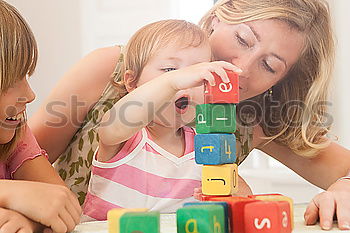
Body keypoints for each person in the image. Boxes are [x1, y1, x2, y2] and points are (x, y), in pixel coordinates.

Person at [29, 0, 350, 230]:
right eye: (242, 39)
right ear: (215, 19)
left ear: (281, 82)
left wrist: (343, 188)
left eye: (269, 66)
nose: (241, 68)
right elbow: (21, 155)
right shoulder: (114, 67)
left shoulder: (252, 116)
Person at [81, 19, 244, 221]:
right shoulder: (126, 137)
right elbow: (114, 124)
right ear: (133, 83)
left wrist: (230, 198)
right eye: (169, 70)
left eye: (197, 74)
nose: (185, 81)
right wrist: (172, 82)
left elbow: (240, 192)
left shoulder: (205, 148)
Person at [0, 1, 81, 232]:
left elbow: (63, 204)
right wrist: (9, 192)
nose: (30, 94)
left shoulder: (18, 133)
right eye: (12, 81)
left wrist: (29, 222)